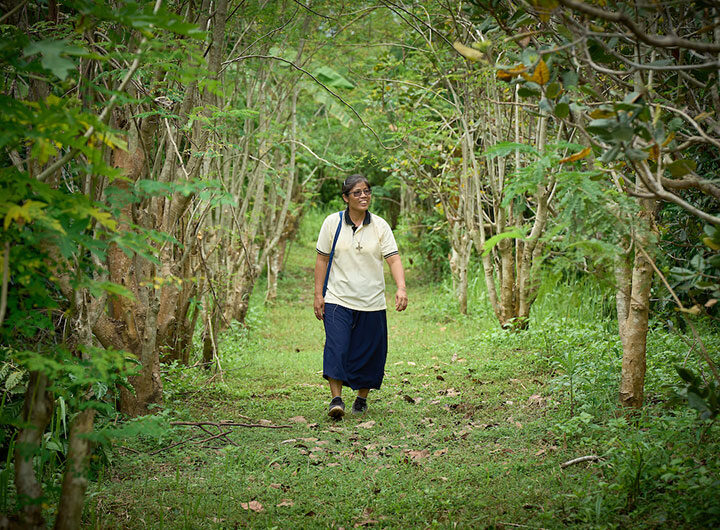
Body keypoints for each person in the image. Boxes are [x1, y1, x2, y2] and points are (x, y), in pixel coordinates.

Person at [314, 174, 408, 419]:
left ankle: (361, 398)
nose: (363, 196)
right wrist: (318, 294)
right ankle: (336, 399)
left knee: (370, 352)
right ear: (346, 198)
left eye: (367, 191)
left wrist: (401, 287)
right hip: (337, 298)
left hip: (371, 301)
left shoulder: (380, 226)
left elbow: (393, 258)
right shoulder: (331, 223)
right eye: (357, 192)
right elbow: (322, 259)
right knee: (337, 346)